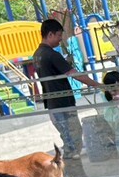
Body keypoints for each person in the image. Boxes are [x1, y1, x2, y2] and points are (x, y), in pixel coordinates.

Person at [32, 18, 103, 160]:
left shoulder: (37, 54)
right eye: (59, 35)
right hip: (62, 101)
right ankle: (73, 163)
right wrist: (98, 85)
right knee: (73, 135)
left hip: (52, 102)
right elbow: (74, 74)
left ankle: (71, 160)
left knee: (66, 136)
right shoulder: (52, 55)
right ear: (50, 34)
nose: (60, 39)